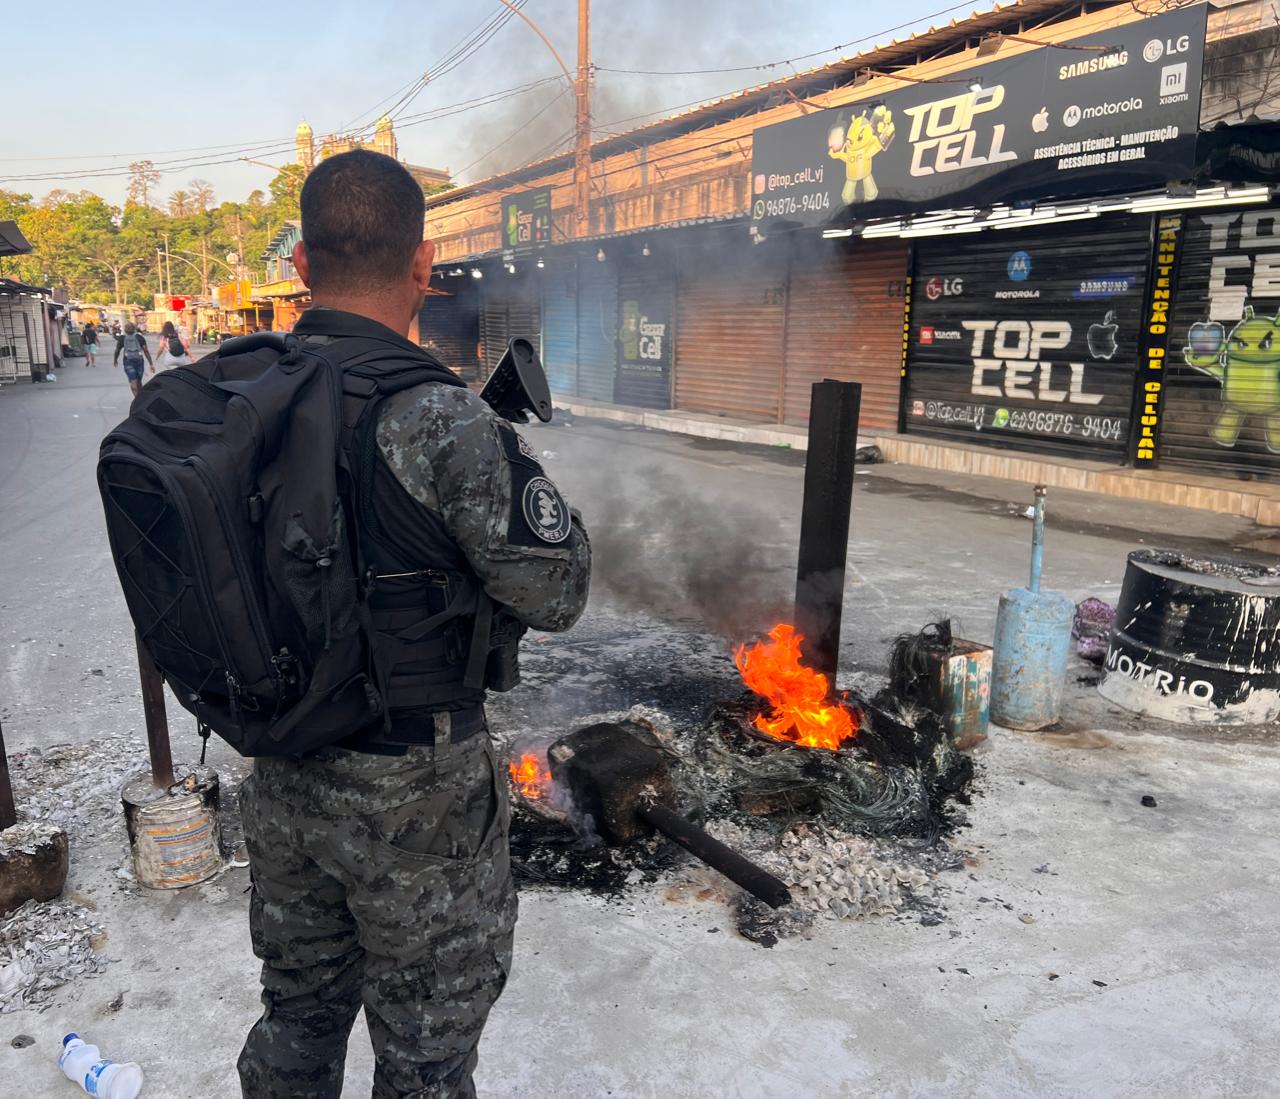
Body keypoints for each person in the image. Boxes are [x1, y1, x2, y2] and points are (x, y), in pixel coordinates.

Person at [236, 149, 591, 1098]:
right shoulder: (446, 422)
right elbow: (558, 594)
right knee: (426, 1057)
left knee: (299, 1016)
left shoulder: (233, 401)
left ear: (302, 265)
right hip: (415, 792)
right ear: (424, 267)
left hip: (280, 771)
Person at [112, 322, 153, 396]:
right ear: (135, 329)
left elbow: (117, 350)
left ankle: (139, 398)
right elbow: (146, 351)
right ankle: (138, 401)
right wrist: (151, 363)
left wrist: (115, 360)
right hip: (139, 361)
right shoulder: (140, 337)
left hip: (128, 361)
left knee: (136, 382)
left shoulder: (122, 338)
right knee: (136, 382)